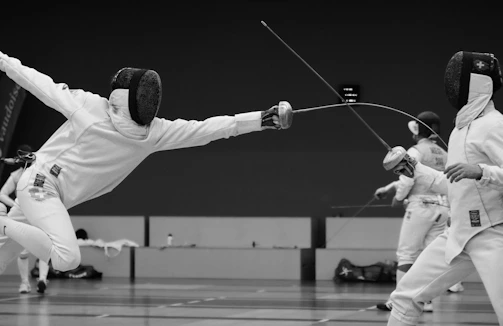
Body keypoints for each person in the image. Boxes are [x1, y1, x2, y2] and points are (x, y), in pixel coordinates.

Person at [0, 50, 293, 277]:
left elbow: (207, 129)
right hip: (40, 184)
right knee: (67, 258)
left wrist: (261, 120)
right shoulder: (89, 108)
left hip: (49, 194)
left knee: (2, 256)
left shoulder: (153, 132)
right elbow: (38, 82)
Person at [384, 51, 503, 325]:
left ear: (476, 84)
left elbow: (476, 174)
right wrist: (412, 168)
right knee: (404, 297)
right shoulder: (461, 129)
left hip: (493, 233)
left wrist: (482, 171)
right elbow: (452, 183)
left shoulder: (494, 125)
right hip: (458, 235)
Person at [374, 111, 461, 312]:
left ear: (419, 130)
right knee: (429, 256)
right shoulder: (444, 152)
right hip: (442, 208)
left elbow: (407, 176)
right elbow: (443, 180)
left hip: (420, 209)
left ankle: (399, 302)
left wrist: (398, 198)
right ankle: (425, 300)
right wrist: (388, 189)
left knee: (406, 254)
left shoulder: (415, 150)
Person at [0, 145, 50, 293]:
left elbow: (41, 194)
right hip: (20, 214)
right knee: (21, 251)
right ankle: (25, 283)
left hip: (38, 214)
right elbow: (2, 193)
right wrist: (16, 202)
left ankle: (42, 279)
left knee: (45, 247)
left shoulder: (40, 173)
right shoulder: (16, 175)